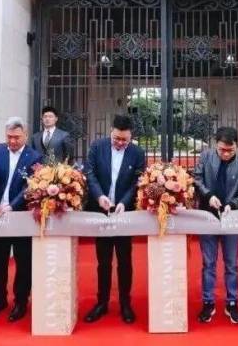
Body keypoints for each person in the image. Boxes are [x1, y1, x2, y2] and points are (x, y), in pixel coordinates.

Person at [83, 114, 146, 324]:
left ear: (131, 137)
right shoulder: (97, 147)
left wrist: (125, 202)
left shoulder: (137, 152)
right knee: (103, 260)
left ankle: (125, 303)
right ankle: (102, 302)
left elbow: (138, 181)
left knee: (125, 259)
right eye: (116, 138)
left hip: (123, 212)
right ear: (111, 132)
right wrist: (99, 196)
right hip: (101, 210)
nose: (119, 143)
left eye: (124, 140)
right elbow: (90, 174)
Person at [0, 117, 42, 322]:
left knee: (23, 262)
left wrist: (12, 206)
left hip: (20, 215)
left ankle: (20, 302)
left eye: (17, 137)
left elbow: (30, 186)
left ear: (25, 135)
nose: (12, 141)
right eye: (9, 137)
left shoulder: (35, 156)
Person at [193, 126, 238, 325]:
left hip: (231, 217)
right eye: (222, 150)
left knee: (231, 263)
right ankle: (208, 302)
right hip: (207, 216)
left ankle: (232, 302)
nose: (226, 154)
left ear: (237, 146)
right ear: (215, 145)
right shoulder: (206, 157)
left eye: (230, 150)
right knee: (208, 263)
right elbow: (197, 179)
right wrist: (208, 195)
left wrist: (232, 204)